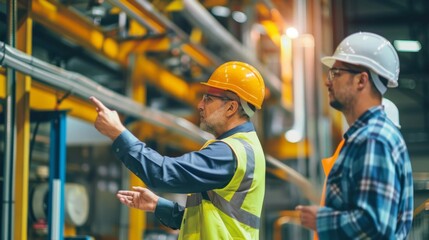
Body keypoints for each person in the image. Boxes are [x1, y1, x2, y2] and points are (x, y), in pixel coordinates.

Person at [90, 61, 267, 239]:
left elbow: (163, 173)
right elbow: (210, 220)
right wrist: (158, 206)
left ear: (231, 107)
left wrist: (118, 133)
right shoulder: (243, 148)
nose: (200, 105)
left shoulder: (230, 153)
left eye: (208, 99)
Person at [296, 32, 414, 239]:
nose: (327, 82)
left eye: (336, 73)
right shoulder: (364, 137)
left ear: (361, 80)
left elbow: (374, 225)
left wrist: (321, 219)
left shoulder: (373, 139)